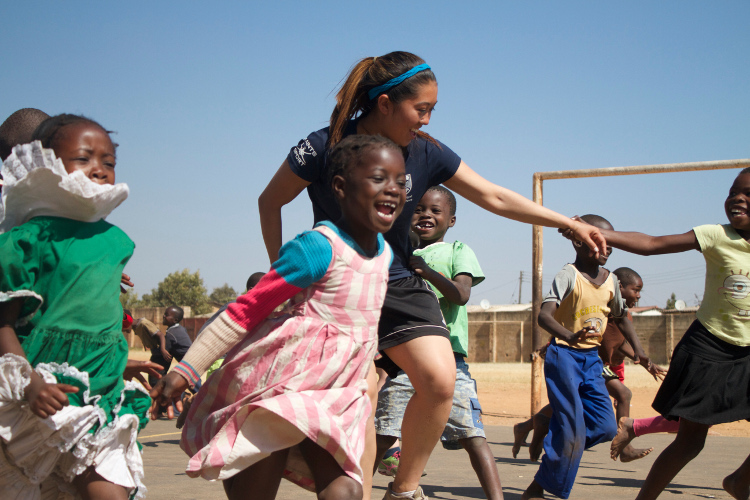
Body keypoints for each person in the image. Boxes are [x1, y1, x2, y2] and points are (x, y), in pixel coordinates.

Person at [258, 50, 608, 500]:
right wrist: (282, 278)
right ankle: (355, 488)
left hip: (398, 277)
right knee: (362, 390)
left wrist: (570, 222)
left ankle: (403, 489)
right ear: (384, 103)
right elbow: (270, 201)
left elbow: (494, 196)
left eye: (431, 111)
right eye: (420, 109)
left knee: (441, 380)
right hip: (339, 284)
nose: (425, 120)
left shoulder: (426, 151)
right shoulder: (324, 145)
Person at [150, 134, 406, 500]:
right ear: (340, 187)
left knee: (347, 490)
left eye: (400, 181)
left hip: (337, 391)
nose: (393, 189)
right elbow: (246, 310)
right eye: (379, 178)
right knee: (258, 485)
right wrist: (185, 370)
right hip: (283, 386)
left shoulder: (384, 254)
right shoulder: (319, 248)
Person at [0, 114, 150, 500]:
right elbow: (4, 322)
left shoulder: (117, 240)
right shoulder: (27, 238)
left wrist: (123, 364)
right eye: (84, 159)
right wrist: (30, 384)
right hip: (41, 392)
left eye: (109, 162)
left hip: (101, 393)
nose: (99, 170)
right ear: (47, 163)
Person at [577, 168, 750, 500]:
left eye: (748, 194)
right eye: (733, 192)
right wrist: (597, 233)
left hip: (747, 352)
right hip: (709, 348)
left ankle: (740, 481)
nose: (737, 199)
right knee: (690, 441)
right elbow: (653, 244)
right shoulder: (716, 235)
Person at [375, 186, 504, 498]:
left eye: (435, 211)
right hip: (402, 361)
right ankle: (359, 488)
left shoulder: (457, 250)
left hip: (450, 362)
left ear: (452, 220)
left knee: (474, 436)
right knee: (382, 434)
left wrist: (428, 272)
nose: (425, 216)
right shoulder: (397, 254)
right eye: (418, 209)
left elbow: (460, 294)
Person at [521, 214, 651, 500]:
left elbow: (621, 316)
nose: (607, 249)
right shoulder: (568, 275)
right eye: (600, 242)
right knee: (572, 431)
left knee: (604, 426)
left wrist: (639, 350)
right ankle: (536, 489)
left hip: (591, 360)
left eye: (610, 245)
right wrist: (568, 335)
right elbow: (544, 316)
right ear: (579, 242)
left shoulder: (612, 281)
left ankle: (553, 441)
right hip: (564, 356)